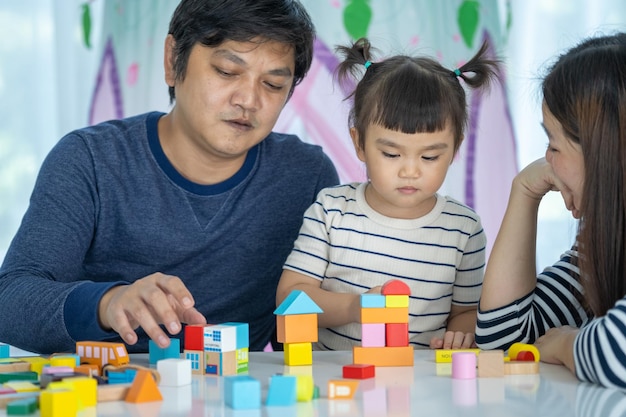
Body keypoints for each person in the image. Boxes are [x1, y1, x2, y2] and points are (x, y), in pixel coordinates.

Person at [0, 0, 339, 355]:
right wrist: (109, 303)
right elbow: (10, 300)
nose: (248, 100)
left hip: (240, 396)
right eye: (226, 71)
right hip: (111, 395)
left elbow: (309, 323)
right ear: (171, 60)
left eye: (272, 84)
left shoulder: (306, 176)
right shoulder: (90, 160)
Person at [276, 37, 500, 350]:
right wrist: (354, 308)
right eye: (392, 154)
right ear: (359, 143)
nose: (410, 171)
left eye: (430, 157)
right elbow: (291, 296)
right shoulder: (331, 211)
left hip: (419, 384)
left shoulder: (463, 229)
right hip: (333, 382)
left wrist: (459, 336)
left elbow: (463, 312)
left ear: (455, 149)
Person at [475, 32, 626, 389]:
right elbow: (505, 342)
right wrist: (524, 193)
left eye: (553, 145)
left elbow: (617, 350)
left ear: (598, 150)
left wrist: (565, 343)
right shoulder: (604, 240)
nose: (547, 160)